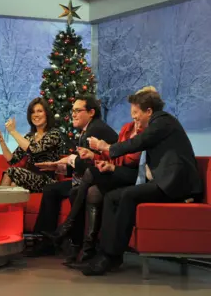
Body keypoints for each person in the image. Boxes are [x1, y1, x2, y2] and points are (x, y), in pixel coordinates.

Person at [82, 87, 203, 276]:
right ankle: (105, 253)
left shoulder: (163, 122)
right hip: (165, 182)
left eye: (136, 114)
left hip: (176, 186)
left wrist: (107, 147)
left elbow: (138, 142)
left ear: (149, 111)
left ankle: (112, 255)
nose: (134, 118)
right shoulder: (159, 123)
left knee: (129, 195)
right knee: (112, 197)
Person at [29, 96, 118, 257]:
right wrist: (57, 166)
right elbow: (79, 164)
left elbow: (88, 165)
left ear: (91, 112)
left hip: (104, 179)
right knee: (51, 190)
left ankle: (75, 244)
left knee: (74, 192)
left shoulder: (96, 130)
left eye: (78, 111)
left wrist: (62, 162)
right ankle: (46, 240)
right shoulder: (86, 130)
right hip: (85, 178)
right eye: (73, 111)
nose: (73, 115)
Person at [52, 119, 142, 268]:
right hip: (116, 172)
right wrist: (96, 156)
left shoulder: (145, 132)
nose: (135, 117)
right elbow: (116, 156)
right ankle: (85, 248)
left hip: (130, 177)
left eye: (138, 113)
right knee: (87, 192)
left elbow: (131, 159)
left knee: (90, 174)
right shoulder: (127, 128)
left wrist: (104, 148)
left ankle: (68, 227)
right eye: (134, 113)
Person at [0, 97, 62, 192]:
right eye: (32, 112)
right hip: (28, 177)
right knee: (14, 182)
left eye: (39, 111)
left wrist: (13, 131)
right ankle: (3, 204)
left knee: (12, 172)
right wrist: (1, 141)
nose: (36, 115)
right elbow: (12, 159)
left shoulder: (54, 134)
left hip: (47, 180)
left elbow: (34, 149)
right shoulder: (29, 136)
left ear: (47, 113)